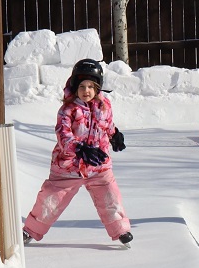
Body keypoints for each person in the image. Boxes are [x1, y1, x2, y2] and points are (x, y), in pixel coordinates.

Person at [22, 58, 132, 246]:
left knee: (110, 197)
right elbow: (63, 135)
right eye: (82, 86)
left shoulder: (104, 105)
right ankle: (30, 230)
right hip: (68, 167)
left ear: (98, 88)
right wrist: (78, 148)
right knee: (50, 201)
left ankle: (120, 230)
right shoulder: (67, 110)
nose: (86, 90)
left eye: (91, 86)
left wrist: (115, 135)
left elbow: (107, 125)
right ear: (75, 87)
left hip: (98, 165)